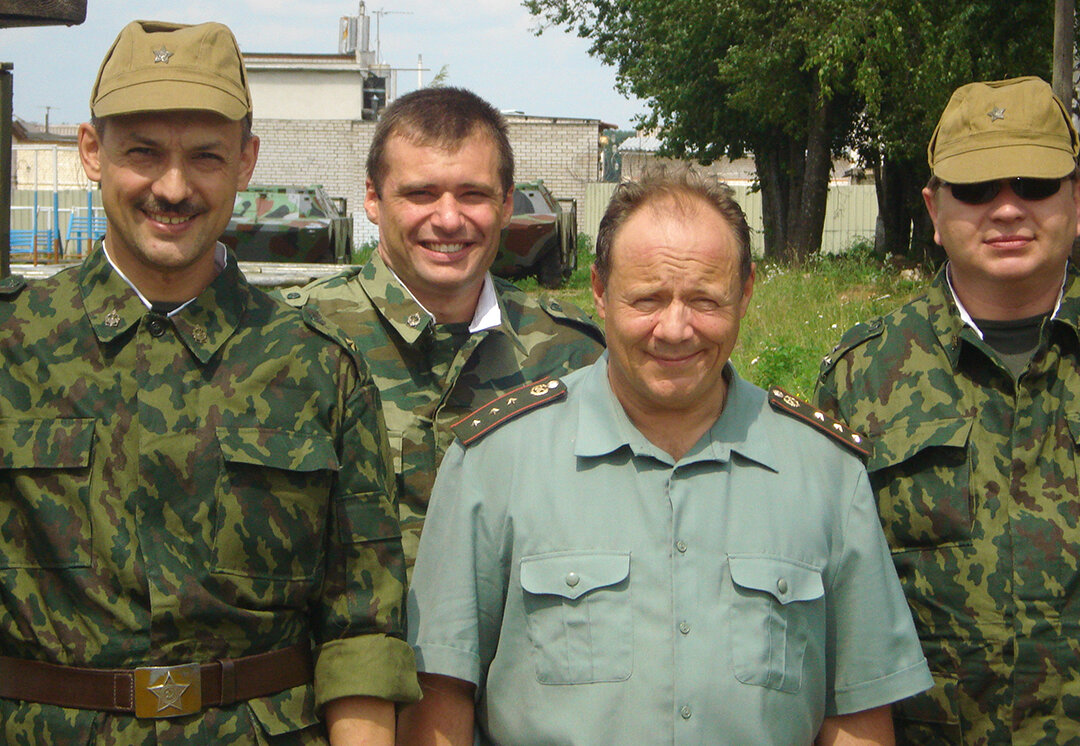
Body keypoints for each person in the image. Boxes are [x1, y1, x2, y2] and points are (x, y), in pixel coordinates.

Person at [400, 172, 932, 746]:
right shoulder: (496, 462)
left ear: (746, 291)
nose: (675, 330)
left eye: (705, 300)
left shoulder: (825, 472)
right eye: (647, 299)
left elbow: (856, 711)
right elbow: (441, 697)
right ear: (600, 290)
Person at [0, 20, 419, 744]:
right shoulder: (13, 347)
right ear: (92, 152)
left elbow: (361, 635)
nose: (173, 187)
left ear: (246, 161)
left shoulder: (315, 367)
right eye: (143, 154)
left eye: (204, 157)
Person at [816, 75, 1080, 743]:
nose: (1008, 208)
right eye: (977, 190)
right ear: (934, 210)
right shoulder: (863, 378)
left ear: (1076, 200)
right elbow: (823, 618)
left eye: (1035, 184)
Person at [282, 87, 604, 571]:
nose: (449, 219)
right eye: (420, 194)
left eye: (473, 194)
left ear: (506, 203)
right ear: (373, 198)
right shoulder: (292, 339)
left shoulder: (571, 352)